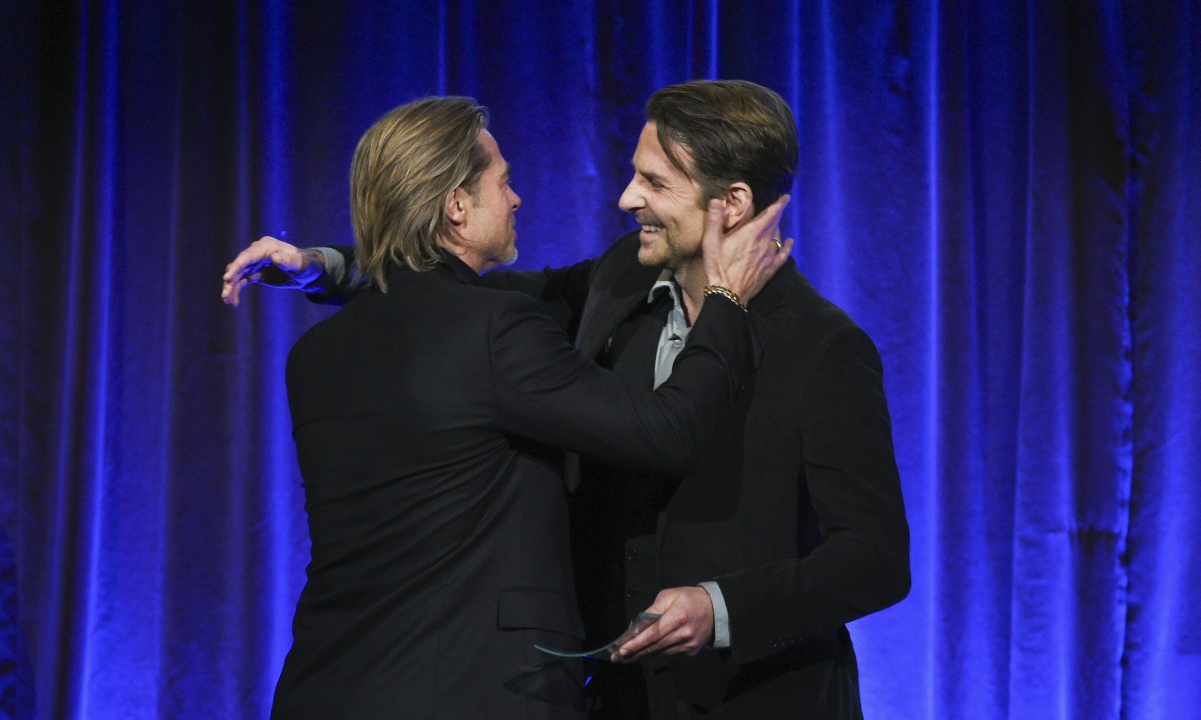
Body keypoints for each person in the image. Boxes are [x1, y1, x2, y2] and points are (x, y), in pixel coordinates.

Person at [224, 80, 910, 719]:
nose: (625, 199)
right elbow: (449, 302)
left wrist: (721, 607)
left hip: (755, 700)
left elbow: (876, 559)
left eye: (652, 181)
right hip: (610, 700)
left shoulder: (823, 349)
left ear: (729, 204)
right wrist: (325, 264)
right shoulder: (616, 285)